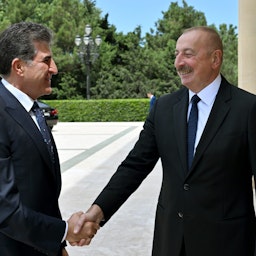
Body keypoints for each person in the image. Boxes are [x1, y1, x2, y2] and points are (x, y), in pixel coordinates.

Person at [73, 26, 256, 256]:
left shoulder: (248, 109)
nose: (178, 63)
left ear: (215, 58)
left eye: (188, 54)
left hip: (228, 245)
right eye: (176, 54)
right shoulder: (163, 108)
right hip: (170, 243)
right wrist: (96, 213)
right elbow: (134, 166)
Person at [0, 22, 99, 256]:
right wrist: (64, 231)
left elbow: (41, 195)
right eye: (46, 60)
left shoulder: (32, 110)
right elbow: (5, 209)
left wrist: (57, 246)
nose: (54, 68)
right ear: (19, 67)